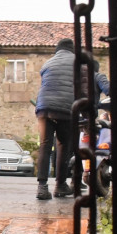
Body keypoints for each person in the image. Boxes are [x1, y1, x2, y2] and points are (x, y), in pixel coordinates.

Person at [35, 38, 76, 200]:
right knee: (63, 146)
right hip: (65, 109)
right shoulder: (78, 62)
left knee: (45, 145)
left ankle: (42, 187)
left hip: (44, 108)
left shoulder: (47, 63)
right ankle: (60, 185)